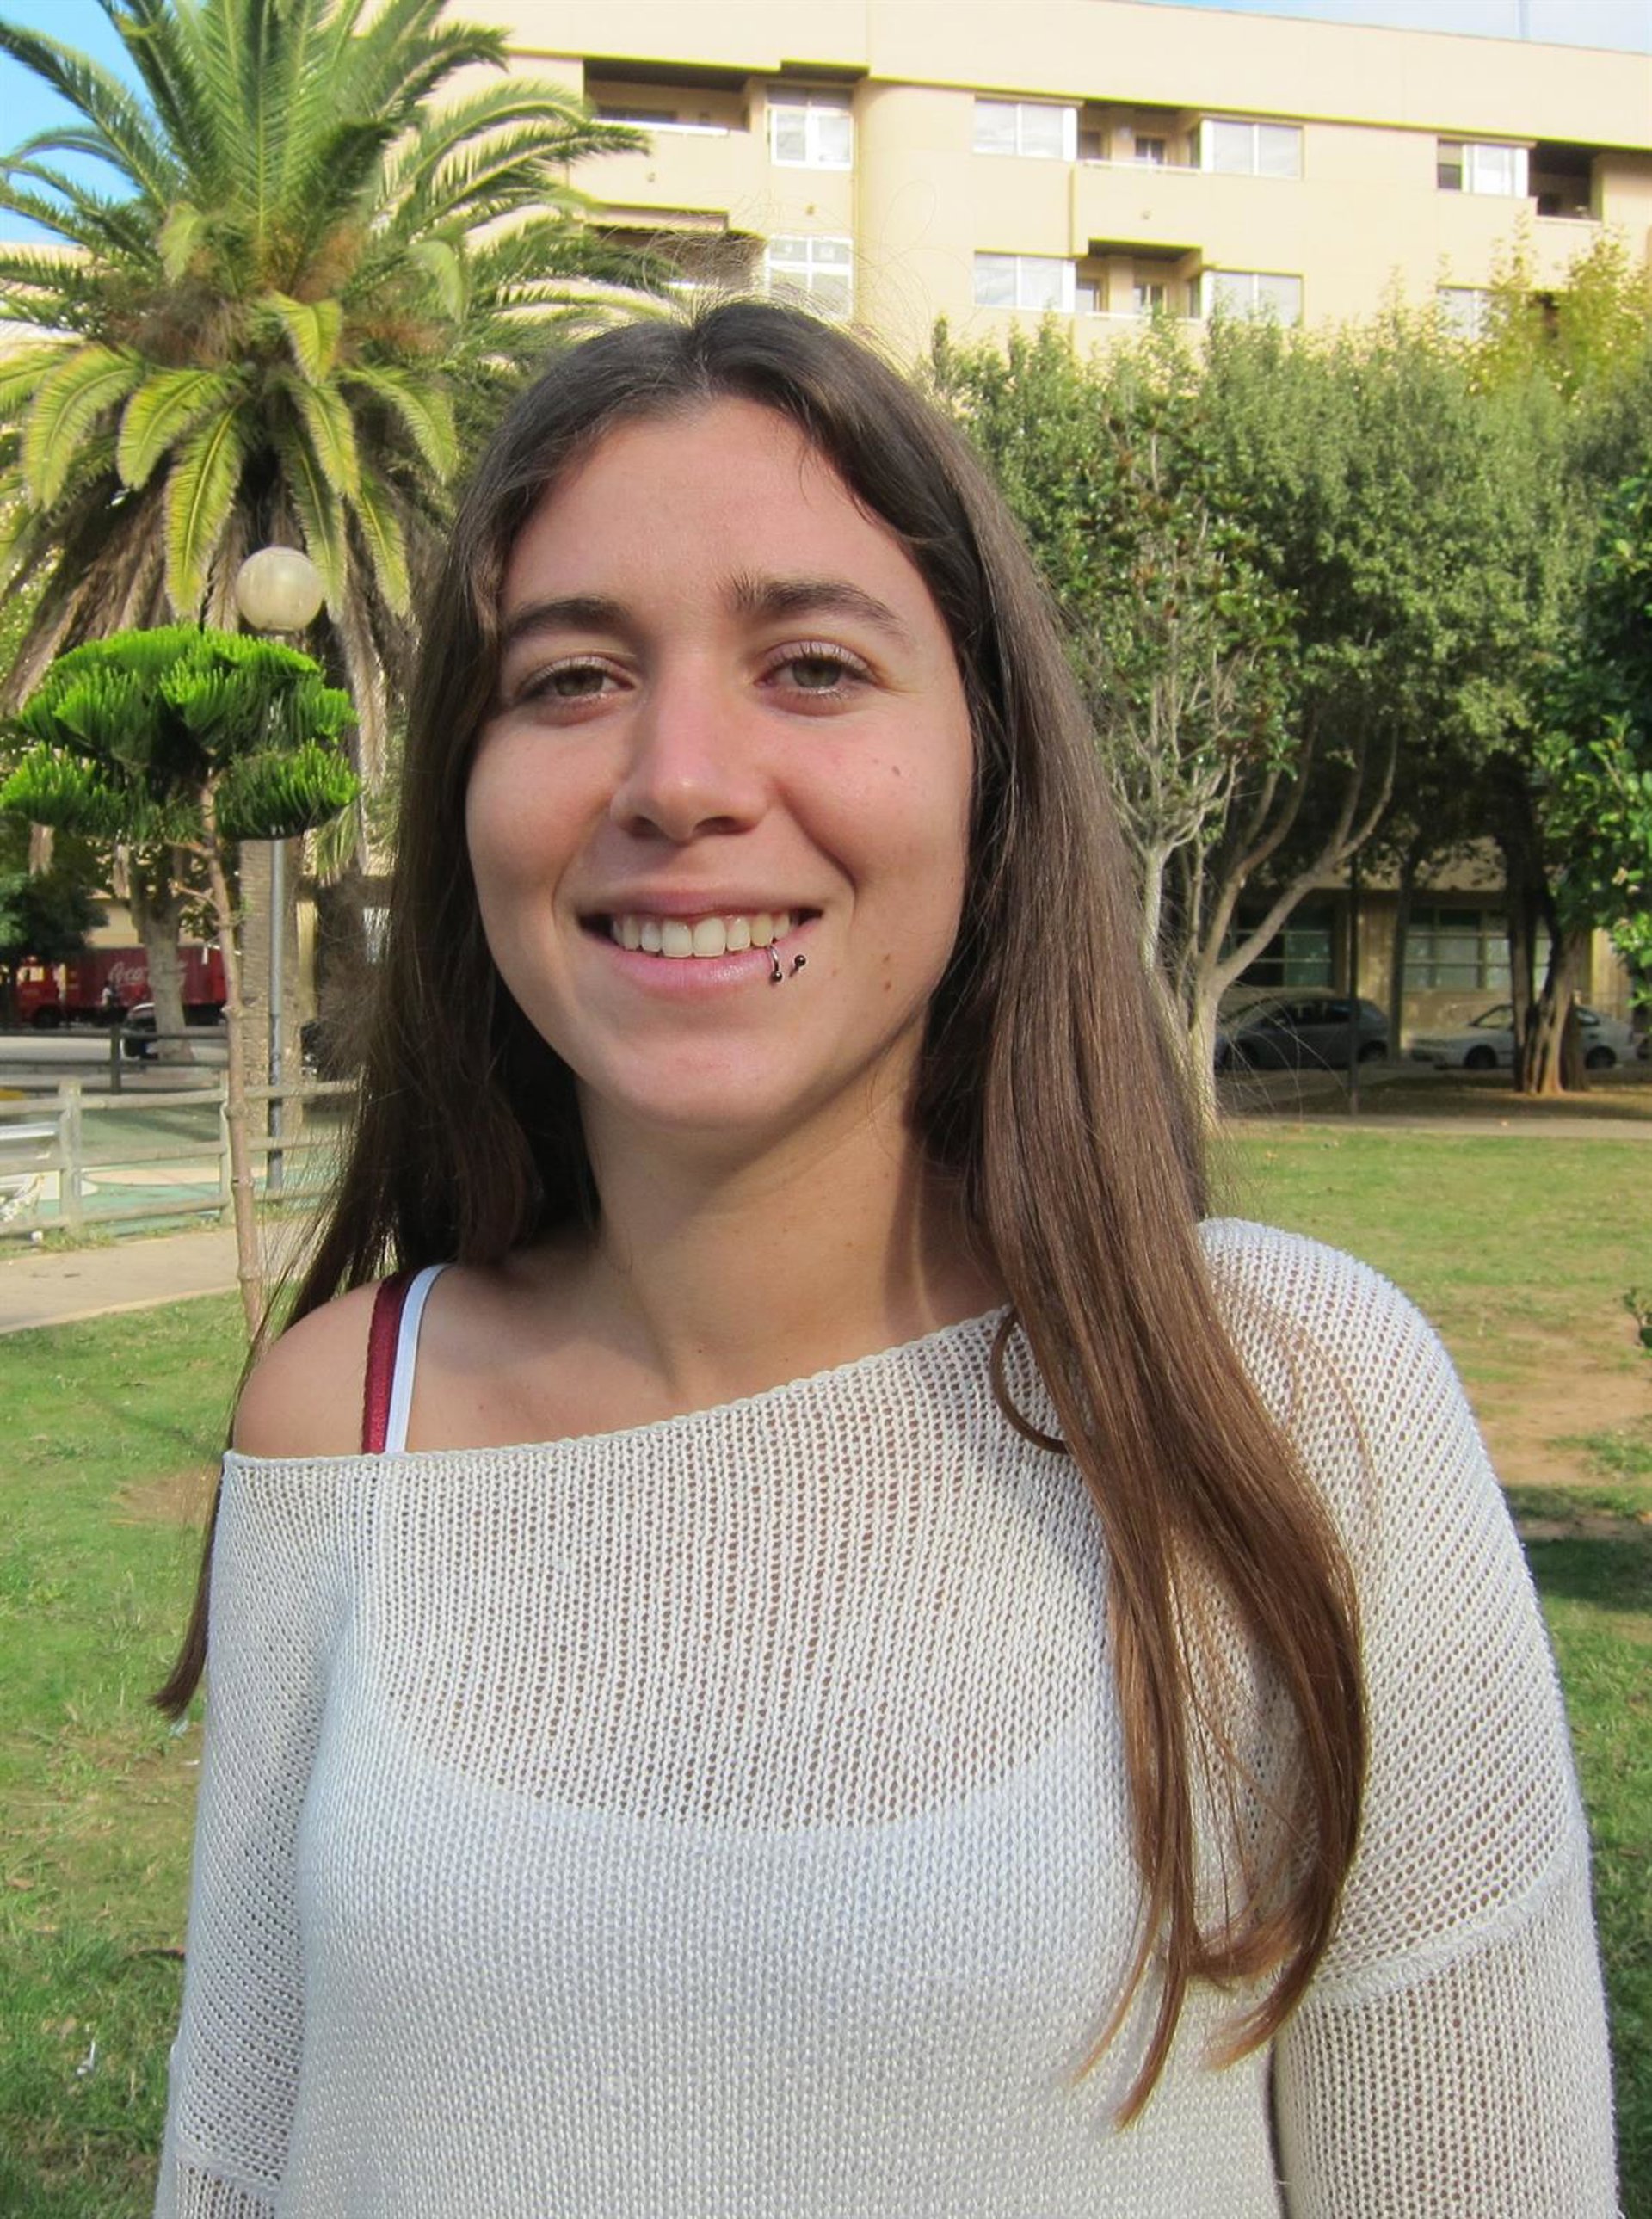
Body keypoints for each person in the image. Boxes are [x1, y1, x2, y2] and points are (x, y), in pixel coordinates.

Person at [153, 304, 1617, 2218]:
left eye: (816, 666)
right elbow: (235, 2165)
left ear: (991, 766)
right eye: (573, 677)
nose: (681, 777)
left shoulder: (1289, 1403)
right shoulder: (347, 1417)